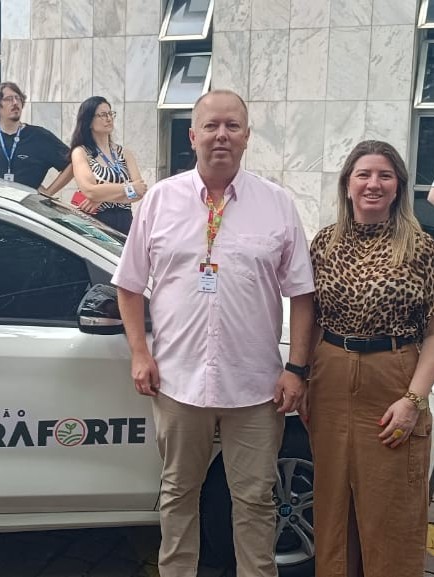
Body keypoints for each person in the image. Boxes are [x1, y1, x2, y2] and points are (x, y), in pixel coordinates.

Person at [112, 89, 315, 577]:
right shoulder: (160, 200)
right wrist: (139, 352)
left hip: (255, 387)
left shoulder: (277, 204)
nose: (221, 135)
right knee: (178, 494)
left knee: (256, 501)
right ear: (192, 136)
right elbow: (129, 285)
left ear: (246, 136)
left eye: (232, 126)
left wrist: (296, 368)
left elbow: (303, 294)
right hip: (178, 382)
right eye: (211, 125)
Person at [308, 140, 434, 577]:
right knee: (332, 510)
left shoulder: (421, 248)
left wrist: (414, 400)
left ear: (398, 186)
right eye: (363, 175)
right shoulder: (324, 243)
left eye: (385, 175)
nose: (373, 184)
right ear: (347, 184)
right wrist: (305, 378)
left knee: (392, 508)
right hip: (330, 376)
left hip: (393, 376)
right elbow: (313, 318)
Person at [69, 96, 147, 234]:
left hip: (125, 219)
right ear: (89, 121)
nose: (109, 118)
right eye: (103, 115)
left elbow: (140, 191)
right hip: (96, 222)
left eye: (110, 114)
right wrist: (129, 188)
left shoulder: (125, 153)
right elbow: (90, 191)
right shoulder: (81, 152)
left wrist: (102, 197)